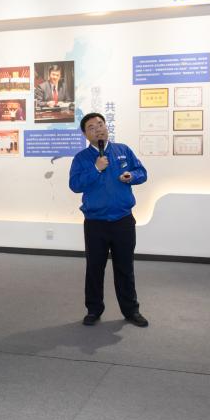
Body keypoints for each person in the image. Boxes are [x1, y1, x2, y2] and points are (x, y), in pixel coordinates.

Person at [68, 113, 149, 327]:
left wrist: (132, 176)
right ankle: (94, 310)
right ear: (85, 134)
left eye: (100, 125)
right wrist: (96, 168)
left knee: (125, 267)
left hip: (123, 220)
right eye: (92, 127)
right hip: (95, 223)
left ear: (106, 126)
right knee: (95, 268)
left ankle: (131, 310)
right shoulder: (81, 158)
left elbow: (142, 172)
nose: (98, 129)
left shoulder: (123, 150)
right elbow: (75, 185)